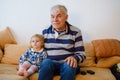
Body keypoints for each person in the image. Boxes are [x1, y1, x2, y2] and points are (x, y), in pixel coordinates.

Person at [38, 4, 86, 80]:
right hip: (50, 65)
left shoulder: (76, 32)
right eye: (52, 16)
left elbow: (82, 54)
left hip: (67, 66)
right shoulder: (45, 32)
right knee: (46, 62)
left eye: (59, 16)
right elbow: (37, 51)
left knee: (69, 65)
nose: (55, 20)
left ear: (66, 18)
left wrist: (74, 58)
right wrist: (27, 64)